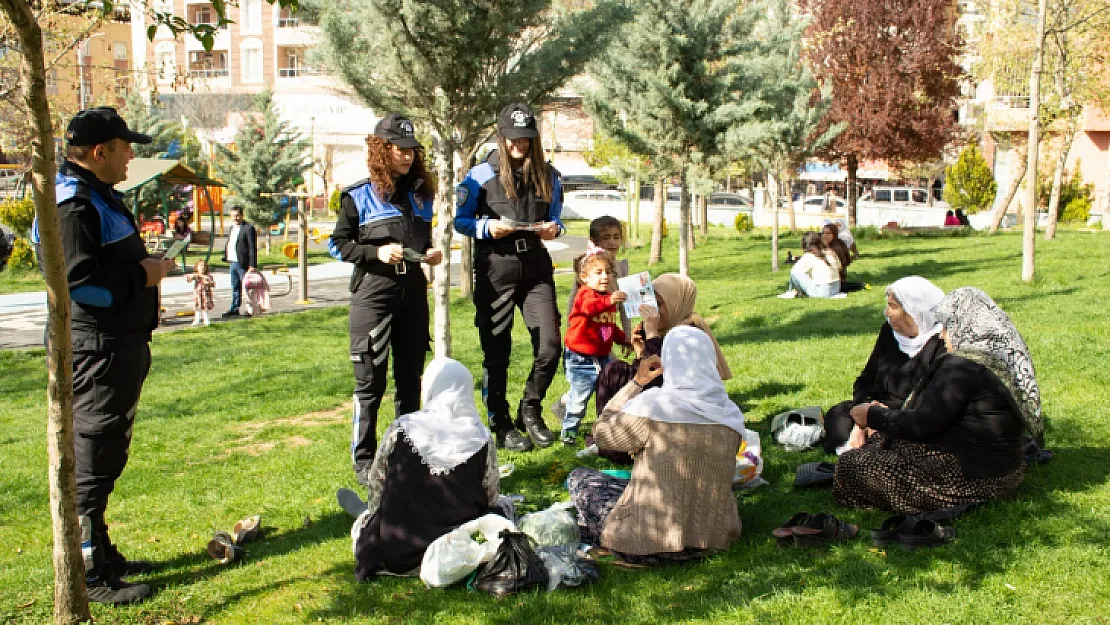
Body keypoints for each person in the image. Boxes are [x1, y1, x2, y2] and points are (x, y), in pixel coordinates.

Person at [30, 107, 174, 604]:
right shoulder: (73, 204)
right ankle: (88, 574)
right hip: (98, 350)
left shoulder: (97, 195)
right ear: (100, 152)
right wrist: (144, 276)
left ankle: (102, 553)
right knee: (91, 461)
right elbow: (79, 285)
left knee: (107, 456)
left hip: (119, 346)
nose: (132, 153)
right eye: (125, 146)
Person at [833, 287, 1040, 514]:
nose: (941, 335)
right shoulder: (992, 356)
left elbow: (922, 424)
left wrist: (871, 416)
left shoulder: (961, 367)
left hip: (975, 479)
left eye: (947, 328)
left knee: (850, 466)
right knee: (879, 441)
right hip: (1005, 470)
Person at [328, 114, 443, 486]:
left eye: (412, 150)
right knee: (370, 382)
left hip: (413, 295)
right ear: (382, 150)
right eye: (400, 149)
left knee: (410, 381)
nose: (407, 156)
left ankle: (405, 453)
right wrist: (376, 254)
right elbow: (337, 244)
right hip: (373, 297)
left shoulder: (423, 194)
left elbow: (421, 241)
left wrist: (429, 253)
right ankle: (364, 460)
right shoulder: (357, 196)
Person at [567, 326, 744, 565]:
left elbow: (601, 431)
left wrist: (636, 383)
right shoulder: (730, 414)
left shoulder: (652, 407)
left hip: (647, 540)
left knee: (580, 478)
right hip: (714, 538)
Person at [454, 103, 564, 452]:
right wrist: (487, 227)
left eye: (526, 139)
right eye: (513, 139)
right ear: (501, 137)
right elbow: (460, 220)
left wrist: (554, 228)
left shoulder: (550, 175)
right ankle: (500, 423)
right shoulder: (478, 175)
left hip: (535, 266)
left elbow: (558, 217)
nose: (519, 145)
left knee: (549, 346)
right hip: (496, 265)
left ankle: (528, 409)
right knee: (496, 350)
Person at [350, 358, 500, 580]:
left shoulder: (402, 428)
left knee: (364, 523)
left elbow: (377, 483)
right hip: (455, 553)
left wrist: (375, 517)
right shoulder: (480, 437)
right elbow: (491, 496)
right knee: (502, 510)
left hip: (398, 552)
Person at [822, 276, 946, 453]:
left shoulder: (940, 343)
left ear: (915, 311)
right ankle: (867, 446)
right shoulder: (889, 331)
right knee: (838, 413)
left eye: (893, 306)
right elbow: (865, 380)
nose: (887, 313)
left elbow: (932, 402)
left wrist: (881, 417)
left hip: (908, 416)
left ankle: (863, 450)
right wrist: (865, 413)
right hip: (875, 408)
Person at [557, 248, 628, 445]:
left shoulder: (607, 297)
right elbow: (590, 309)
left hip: (603, 356)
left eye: (608, 272)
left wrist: (623, 340)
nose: (605, 277)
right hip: (581, 358)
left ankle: (605, 431)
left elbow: (609, 325)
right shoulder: (585, 295)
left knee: (606, 394)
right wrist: (610, 299)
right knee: (579, 400)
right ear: (584, 277)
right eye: (598, 272)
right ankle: (568, 433)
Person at [779, 232, 841, 298]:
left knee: (795, 272)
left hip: (821, 292)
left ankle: (792, 291)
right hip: (836, 288)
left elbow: (795, 271)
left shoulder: (809, 256)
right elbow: (839, 268)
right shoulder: (830, 253)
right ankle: (794, 291)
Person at [221, 206, 257, 318]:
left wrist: (252, 264)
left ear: (242, 215)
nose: (235, 218)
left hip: (243, 263)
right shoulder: (232, 228)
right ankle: (234, 308)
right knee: (235, 287)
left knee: (247, 288)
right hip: (233, 261)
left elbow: (252, 247)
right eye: (233, 216)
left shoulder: (248, 228)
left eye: (237, 216)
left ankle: (250, 309)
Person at [185, 259, 215, 327]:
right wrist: (191, 277)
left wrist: (208, 283)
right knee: (197, 306)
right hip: (198, 294)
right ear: (197, 267)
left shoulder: (208, 276)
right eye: (200, 266)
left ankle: (206, 319)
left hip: (206, 294)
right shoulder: (196, 276)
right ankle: (197, 319)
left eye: (204, 266)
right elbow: (188, 280)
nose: (202, 267)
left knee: (205, 306)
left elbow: (213, 284)